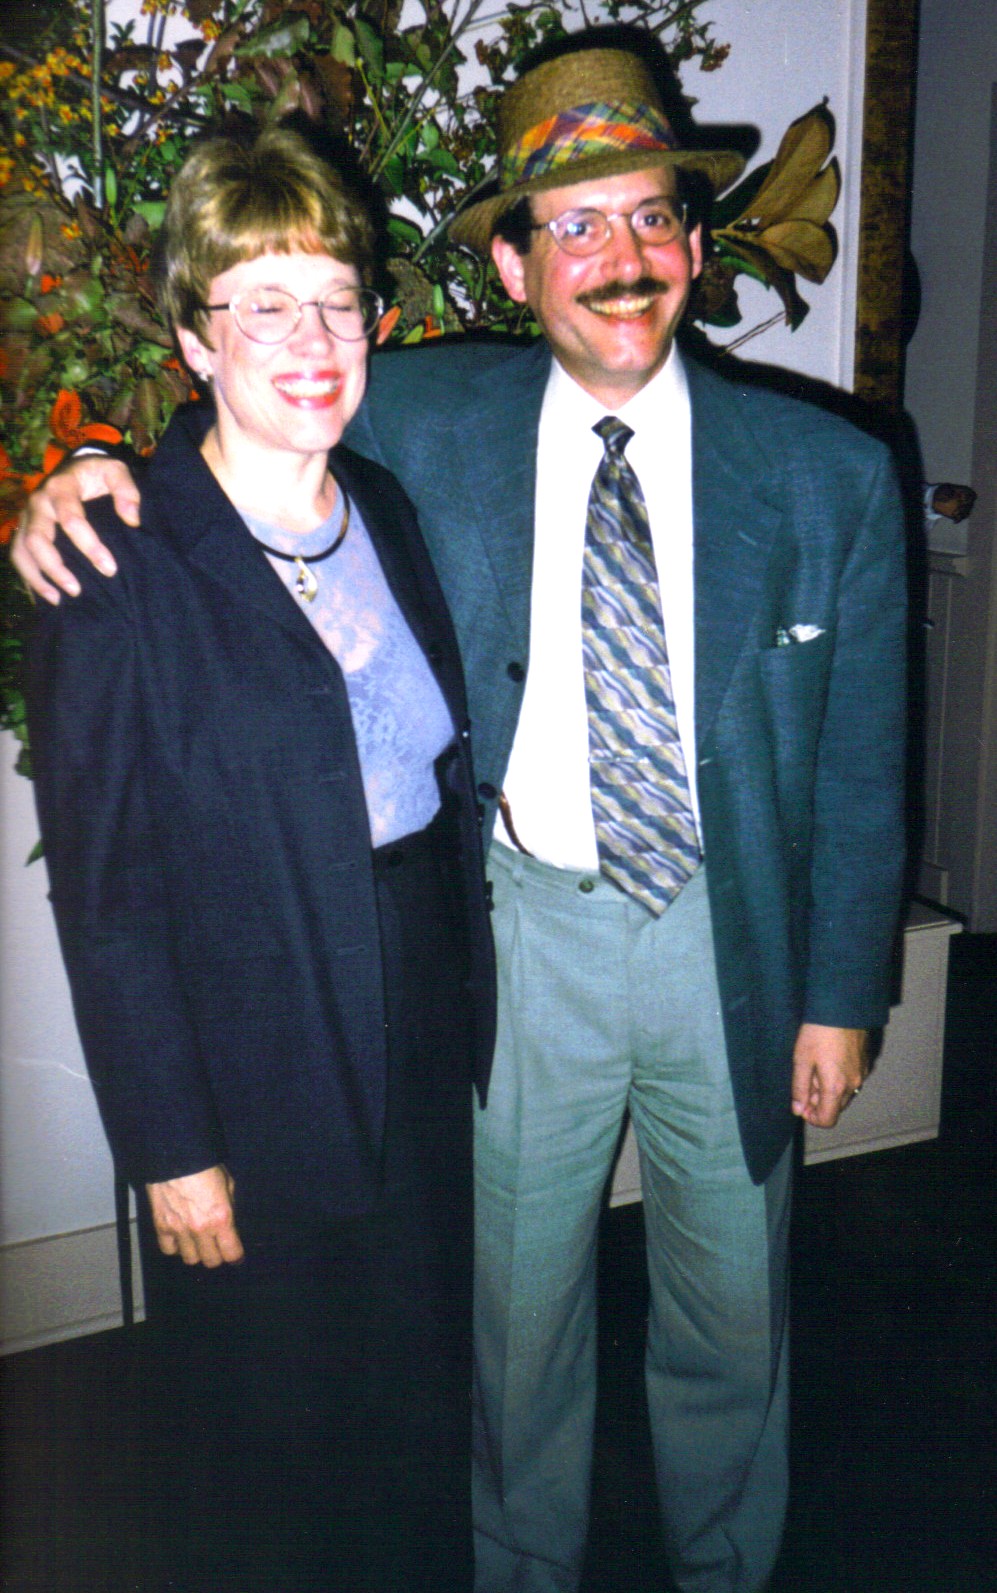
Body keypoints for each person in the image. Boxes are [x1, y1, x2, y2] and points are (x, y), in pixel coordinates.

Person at [15, 39, 908, 1593]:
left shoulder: (825, 473)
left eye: (650, 216)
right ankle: (513, 1570)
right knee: (510, 1322)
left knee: (731, 1309)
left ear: (696, 244)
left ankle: (725, 1565)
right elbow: (234, 444)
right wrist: (80, 468)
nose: (619, 257)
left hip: (728, 941)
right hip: (519, 941)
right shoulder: (427, 421)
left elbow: (858, 760)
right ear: (510, 263)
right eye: (574, 224)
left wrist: (842, 989)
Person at [21, 124, 495, 1593]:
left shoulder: (386, 507)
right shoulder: (116, 561)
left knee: (415, 1401)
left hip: (417, 1019)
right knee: (269, 1443)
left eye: (338, 300)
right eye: (263, 304)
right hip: (250, 1057)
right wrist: (171, 1149)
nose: (312, 341)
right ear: (191, 336)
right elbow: (108, 903)